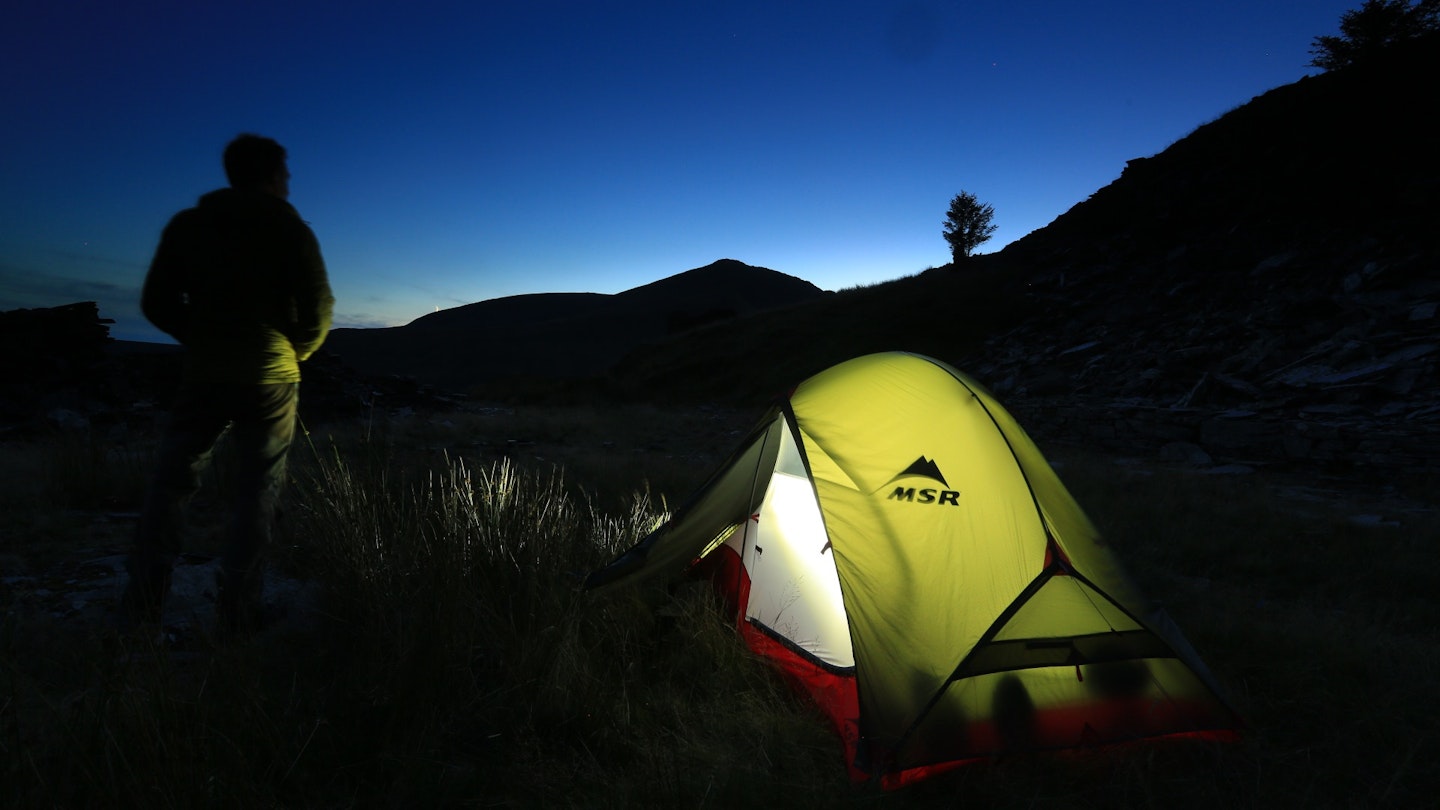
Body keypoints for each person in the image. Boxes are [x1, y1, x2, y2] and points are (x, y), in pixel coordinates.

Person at [121, 133, 334, 637]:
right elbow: (319, 310)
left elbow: (157, 302)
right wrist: (293, 352)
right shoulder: (289, 228)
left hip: (204, 373)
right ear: (271, 174)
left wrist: (200, 337)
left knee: (170, 484)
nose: (289, 181)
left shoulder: (189, 225)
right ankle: (238, 613)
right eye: (286, 173)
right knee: (257, 490)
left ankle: (143, 605)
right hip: (270, 377)